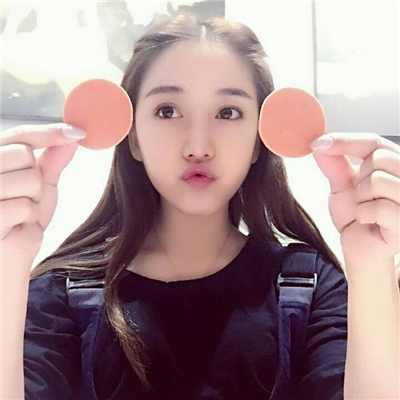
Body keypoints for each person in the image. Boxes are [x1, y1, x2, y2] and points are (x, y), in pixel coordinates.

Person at [1, 12, 399, 400]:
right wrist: (7, 263)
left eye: (228, 113)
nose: (198, 147)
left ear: (259, 139)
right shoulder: (62, 295)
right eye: (167, 111)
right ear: (133, 137)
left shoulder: (311, 288)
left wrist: (372, 267)